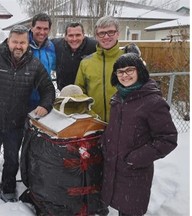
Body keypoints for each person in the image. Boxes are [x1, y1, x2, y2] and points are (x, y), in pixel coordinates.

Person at [0, 25, 55, 216]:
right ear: (8, 41)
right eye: (15, 41)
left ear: (28, 43)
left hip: (16, 125)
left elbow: (48, 89)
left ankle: (9, 191)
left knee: (11, 160)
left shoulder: (34, 65)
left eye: (22, 42)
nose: (18, 45)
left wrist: (45, 105)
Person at [101, 53, 178, 216]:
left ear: (140, 71)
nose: (124, 75)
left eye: (130, 70)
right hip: (114, 168)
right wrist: (105, 144)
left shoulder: (153, 102)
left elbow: (168, 139)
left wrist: (136, 158)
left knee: (130, 210)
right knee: (116, 206)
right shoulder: (117, 99)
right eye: (120, 71)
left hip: (135, 172)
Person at [75, 15, 140, 123]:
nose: (106, 37)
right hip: (95, 124)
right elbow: (79, 92)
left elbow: (143, 89)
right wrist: (88, 114)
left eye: (111, 32)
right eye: (101, 33)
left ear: (118, 33)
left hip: (124, 123)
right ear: (96, 36)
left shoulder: (128, 58)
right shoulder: (86, 62)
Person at [52, 22, 97, 90]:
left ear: (83, 35)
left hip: (87, 92)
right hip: (64, 91)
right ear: (65, 37)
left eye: (78, 35)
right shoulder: (57, 45)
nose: (74, 39)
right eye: (70, 35)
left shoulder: (94, 46)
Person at [28, 12, 56, 110]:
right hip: (23, 100)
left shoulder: (51, 46)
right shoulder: (22, 44)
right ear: (32, 27)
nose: (42, 32)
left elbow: (54, 66)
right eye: (38, 28)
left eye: (45, 29)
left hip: (43, 99)